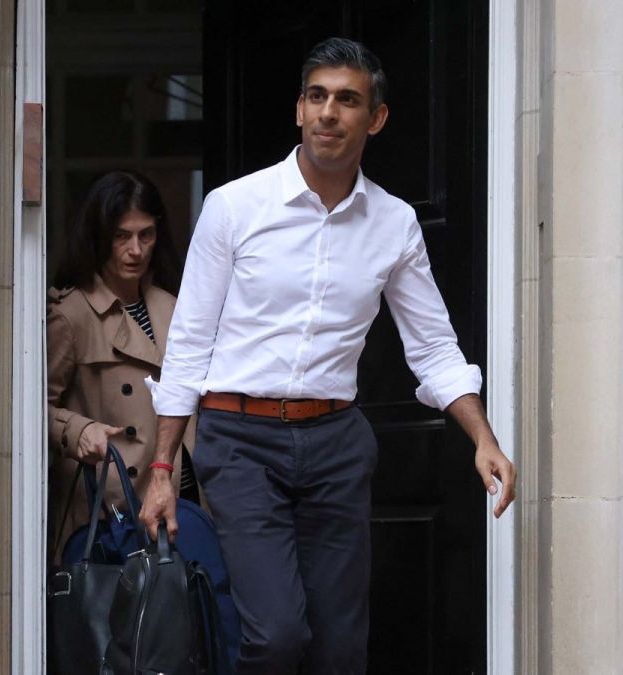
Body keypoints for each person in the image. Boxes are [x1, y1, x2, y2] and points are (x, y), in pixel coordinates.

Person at [142, 37, 517, 673]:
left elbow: (431, 345)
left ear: (376, 118)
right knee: (279, 636)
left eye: (347, 100)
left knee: (341, 648)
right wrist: (162, 467)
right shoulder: (234, 207)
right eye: (316, 96)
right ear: (297, 109)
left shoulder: (394, 224)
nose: (328, 113)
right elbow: (189, 344)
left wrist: (481, 436)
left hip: (336, 442)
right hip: (239, 441)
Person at [47, 171, 197, 562]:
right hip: (108, 509)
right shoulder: (71, 315)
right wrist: (77, 429)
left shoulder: (174, 307)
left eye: (145, 235)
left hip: (179, 500)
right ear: (98, 238)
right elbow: (30, 410)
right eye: (121, 236)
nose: (136, 250)